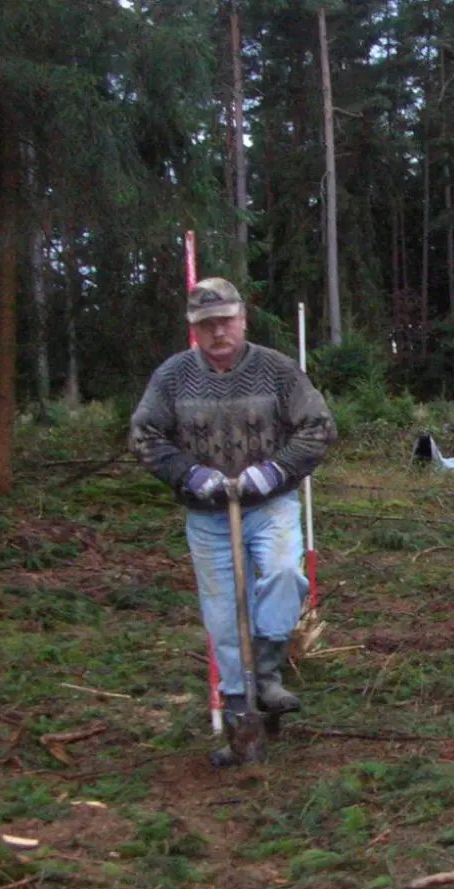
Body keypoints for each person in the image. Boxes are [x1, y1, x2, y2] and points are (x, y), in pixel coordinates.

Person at [130, 278, 337, 766]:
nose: (217, 330)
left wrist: (274, 471)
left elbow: (320, 427)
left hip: (270, 505)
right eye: (207, 324)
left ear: (242, 319)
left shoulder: (277, 370)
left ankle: (265, 671)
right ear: (194, 329)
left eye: (225, 320)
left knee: (286, 574)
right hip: (208, 516)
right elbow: (143, 435)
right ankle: (243, 715)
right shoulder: (173, 376)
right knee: (223, 617)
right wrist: (189, 474)